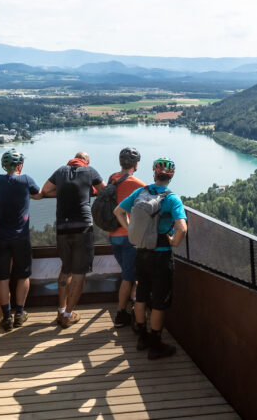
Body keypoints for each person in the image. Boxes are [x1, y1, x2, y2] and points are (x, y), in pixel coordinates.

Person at [114, 157, 188, 359]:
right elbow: (182, 227)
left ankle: (142, 335)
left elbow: (118, 211)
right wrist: (173, 242)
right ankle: (155, 344)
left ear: (155, 173)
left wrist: (131, 231)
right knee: (159, 301)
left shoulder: (141, 192)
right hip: (161, 255)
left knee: (142, 293)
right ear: (171, 177)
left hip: (142, 252)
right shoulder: (171, 199)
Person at [37, 150, 104, 327]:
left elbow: (44, 191)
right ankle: (68, 314)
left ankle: (60, 310)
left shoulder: (60, 171)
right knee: (79, 272)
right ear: (86, 162)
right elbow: (105, 191)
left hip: (62, 227)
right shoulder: (90, 171)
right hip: (83, 227)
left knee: (66, 268)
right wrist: (89, 192)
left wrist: (63, 193)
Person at [0, 148, 42, 331]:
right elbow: (39, 194)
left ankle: (6, 316)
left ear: (4, 165)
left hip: (0, 236)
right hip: (21, 236)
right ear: (20, 166)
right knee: (23, 275)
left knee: (2, 277)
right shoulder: (26, 180)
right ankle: (20, 314)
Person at [107, 146, 145, 327]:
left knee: (131, 274)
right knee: (129, 277)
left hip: (113, 235)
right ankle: (121, 314)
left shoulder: (112, 178)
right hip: (128, 237)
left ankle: (133, 309)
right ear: (136, 165)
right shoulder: (137, 184)